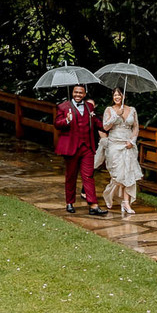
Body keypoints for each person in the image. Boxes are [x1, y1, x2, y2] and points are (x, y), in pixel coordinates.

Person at [54, 84, 108, 216]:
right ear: (72, 93)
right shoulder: (63, 107)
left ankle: (93, 205)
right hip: (72, 147)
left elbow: (96, 122)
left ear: (84, 94)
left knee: (88, 175)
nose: (78, 95)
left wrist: (110, 126)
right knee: (71, 176)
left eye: (80, 93)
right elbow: (57, 124)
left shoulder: (89, 107)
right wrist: (67, 120)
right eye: (76, 92)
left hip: (87, 147)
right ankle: (69, 202)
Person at [102, 87, 144, 216]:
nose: (117, 97)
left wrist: (132, 141)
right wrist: (116, 115)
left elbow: (136, 127)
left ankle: (126, 202)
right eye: (115, 95)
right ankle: (109, 194)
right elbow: (105, 127)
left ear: (123, 96)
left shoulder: (132, 110)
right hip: (115, 145)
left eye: (119, 95)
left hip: (128, 145)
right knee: (118, 175)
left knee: (129, 174)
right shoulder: (109, 110)